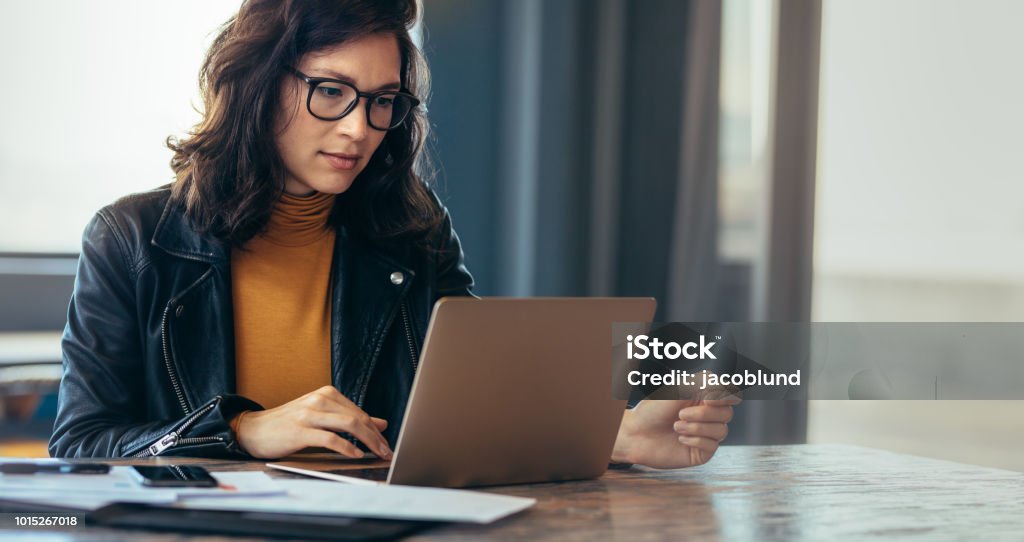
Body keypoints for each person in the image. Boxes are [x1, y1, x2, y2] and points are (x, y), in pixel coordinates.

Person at [49, 0, 738, 467]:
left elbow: (471, 407)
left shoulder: (411, 227)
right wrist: (239, 431)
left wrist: (615, 436)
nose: (359, 128)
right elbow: (80, 445)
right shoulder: (132, 239)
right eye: (331, 91)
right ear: (258, 83)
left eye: (383, 102)